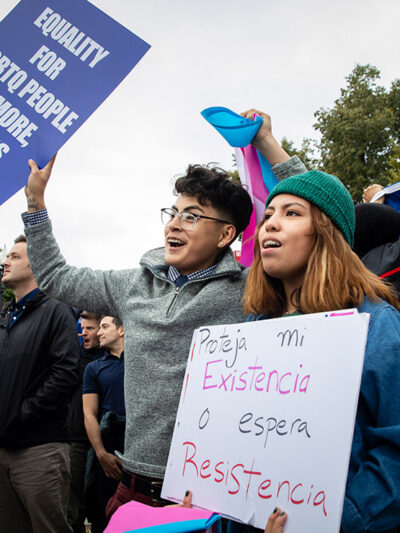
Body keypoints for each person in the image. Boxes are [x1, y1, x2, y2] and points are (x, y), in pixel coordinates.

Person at [20, 111, 302, 515]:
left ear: (226, 235)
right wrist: (35, 203)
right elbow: (55, 276)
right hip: (131, 490)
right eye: (173, 213)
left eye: (192, 216)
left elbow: (315, 217)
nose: (175, 224)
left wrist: (267, 144)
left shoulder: (251, 289)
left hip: (209, 496)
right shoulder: (132, 284)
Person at [243, 169, 400, 533]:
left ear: (327, 234)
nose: (271, 225)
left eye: (291, 213)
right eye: (268, 216)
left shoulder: (375, 324)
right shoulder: (254, 326)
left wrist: (334, 520)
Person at [0, 235, 80, 533]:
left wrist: (23, 414)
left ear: (36, 265)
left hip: (38, 448)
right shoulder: (6, 318)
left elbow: (66, 373)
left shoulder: (56, 310)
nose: (6, 261)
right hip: (3, 447)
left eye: (15, 256)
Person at [83, 315, 125, 532]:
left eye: (104, 326)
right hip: (108, 449)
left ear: (121, 330)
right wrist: (100, 454)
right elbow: (89, 413)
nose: (99, 332)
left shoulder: (141, 361)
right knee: (106, 516)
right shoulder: (93, 368)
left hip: (138, 449)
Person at [67, 311, 105, 533]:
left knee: (100, 504)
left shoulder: (112, 361)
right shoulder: (71, 358)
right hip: (76, 441)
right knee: (73, 505)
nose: (84, 333)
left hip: (105, 443)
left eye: (89, 328)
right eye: (81, 328)